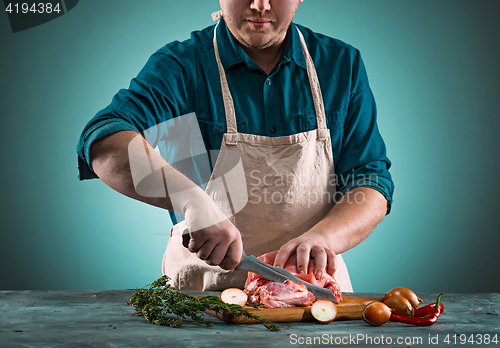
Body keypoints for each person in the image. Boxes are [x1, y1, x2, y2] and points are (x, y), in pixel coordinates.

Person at [76, 0, 394, 292]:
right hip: (203, 296)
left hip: (312, 289)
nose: (259, 5)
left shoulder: (342, 65)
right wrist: (190, 200)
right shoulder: (181, 66)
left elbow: (370, 181)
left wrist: (325, 237)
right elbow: (105, 141)